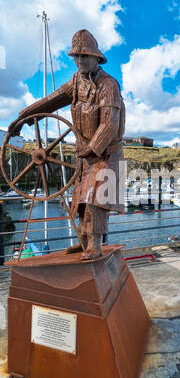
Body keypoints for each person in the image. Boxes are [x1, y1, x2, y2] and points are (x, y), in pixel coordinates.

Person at [12, 29, 125, 260]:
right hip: (85, 156)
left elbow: (109, 125)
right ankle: (83, 243)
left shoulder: (108, 85)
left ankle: (94, 245)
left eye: (85, 56)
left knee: (95, 199)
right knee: (80, 202)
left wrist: (92, 148)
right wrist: (22, 118)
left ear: (97, 58)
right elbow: (51, 101)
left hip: (106, 155)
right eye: (76, 57)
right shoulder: (75, 83)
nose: (80, 61)